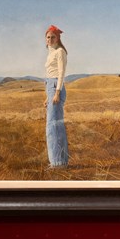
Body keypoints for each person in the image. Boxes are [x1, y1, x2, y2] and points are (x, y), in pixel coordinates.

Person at [44, 25, 69, 169]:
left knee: (54, 126)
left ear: (58, 38)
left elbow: (60, 73)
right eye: (48, 37)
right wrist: (48, 97)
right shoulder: (51, 52)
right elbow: (49, 75)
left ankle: (58, 163)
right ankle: (57, 161)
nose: (50, 39)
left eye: (53, 37)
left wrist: (57, 92)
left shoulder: (60, 52)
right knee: (52, 125)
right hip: (51, 88)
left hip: (56, 87)